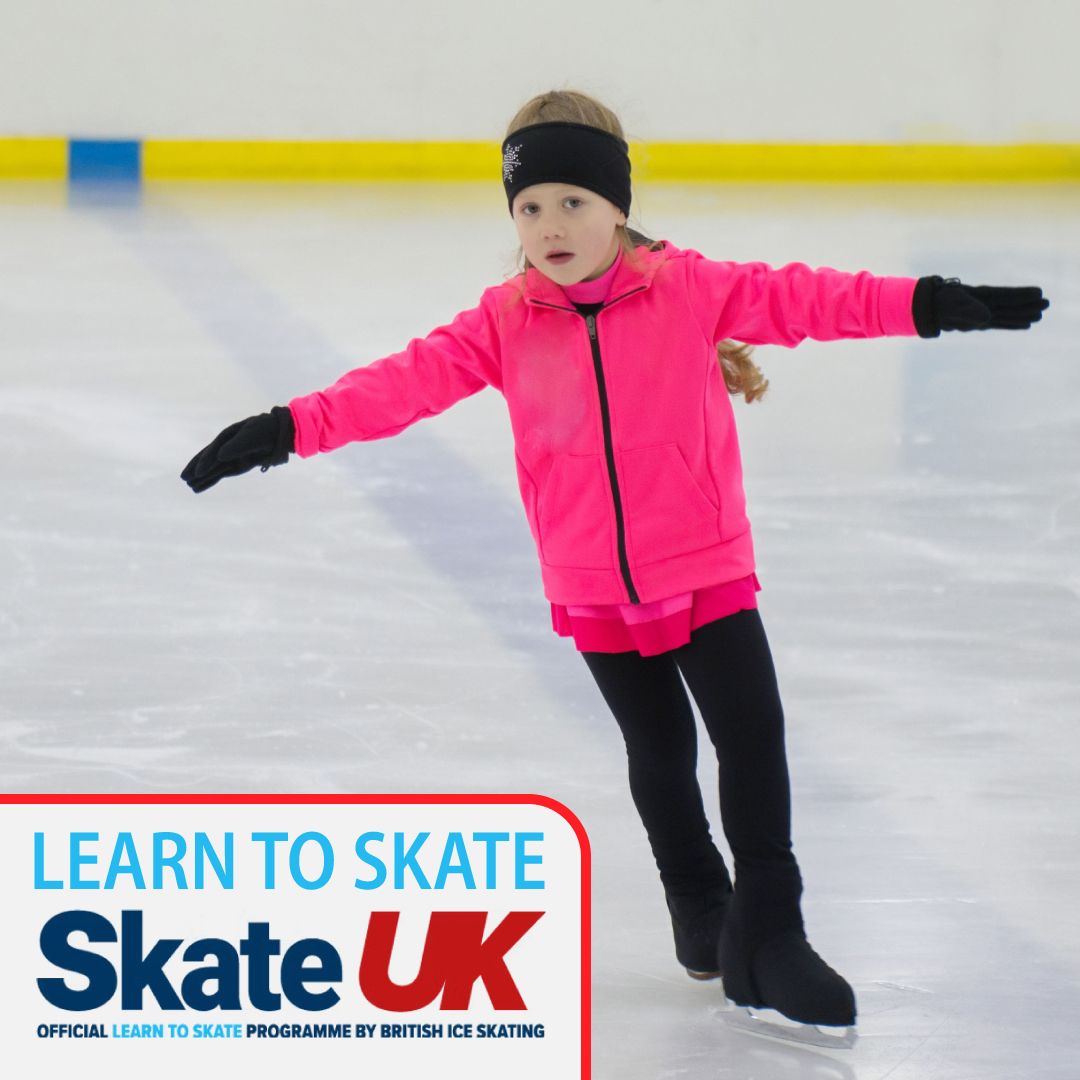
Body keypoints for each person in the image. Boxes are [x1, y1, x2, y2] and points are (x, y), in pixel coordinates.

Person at [181, 89, 1049, 1042]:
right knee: (660, 750)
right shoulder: (502, 322)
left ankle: (773, 926)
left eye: (573, 202)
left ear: (619, 205)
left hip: (703, 561)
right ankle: (697, 909)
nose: (550, 226)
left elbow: (814, 299)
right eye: (529, 206)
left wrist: (929, 304)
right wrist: (285, 428)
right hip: (592, 578)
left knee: (750, 735)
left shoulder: (690, 289)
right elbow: (398, 386)